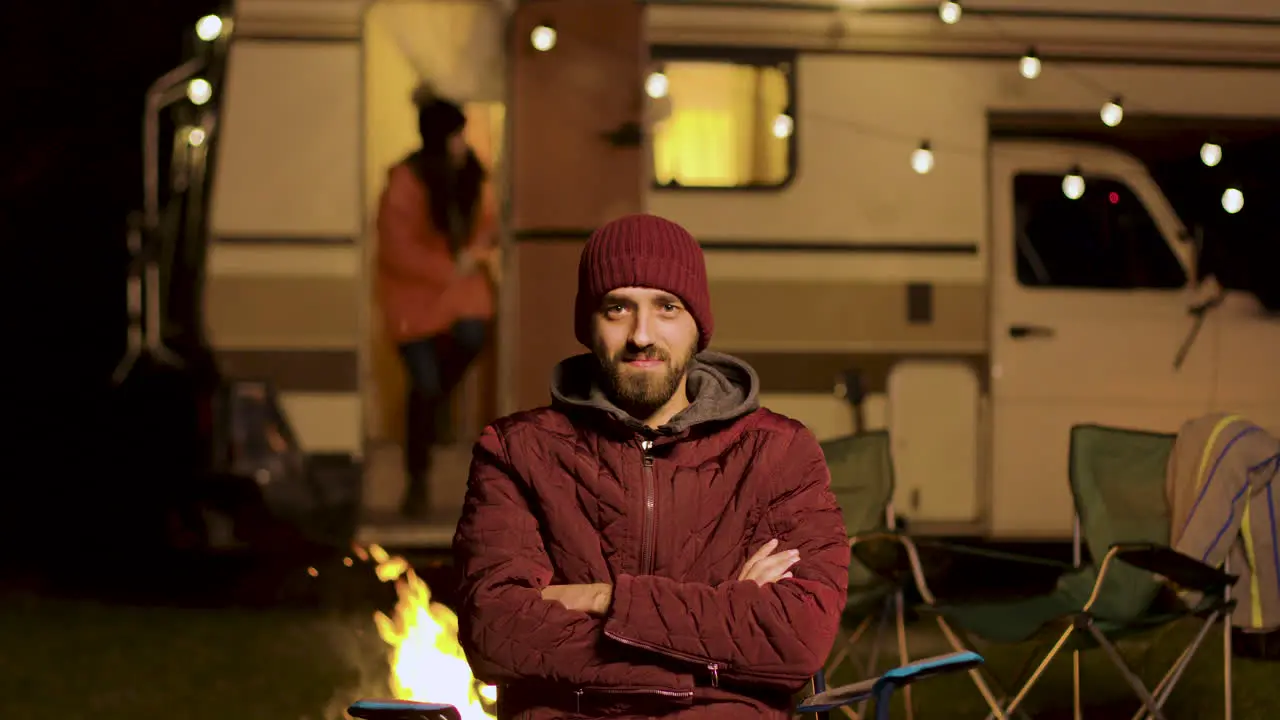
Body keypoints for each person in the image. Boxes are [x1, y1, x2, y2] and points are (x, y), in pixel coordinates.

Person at [453, 214, 850, 719]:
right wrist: (722, 621)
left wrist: (601, 599)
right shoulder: (515, 450)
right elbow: (496, 632)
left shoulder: (778, 453)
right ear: (588, 325)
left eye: (667, 307)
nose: (642, 335)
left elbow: (796, 640)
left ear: (697, 325)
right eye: (617, 308)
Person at [375, 87, 500, 517]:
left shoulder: (471, 177)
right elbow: (396, 249)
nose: (464, 144)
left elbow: (487, 224)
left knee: (470, 336)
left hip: (455, 298)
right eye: (458, 136)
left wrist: (475, 253)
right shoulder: (407, 181)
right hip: (412, 305)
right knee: (425, 387)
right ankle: (417, 480)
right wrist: (452, 266)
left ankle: (432, 431)